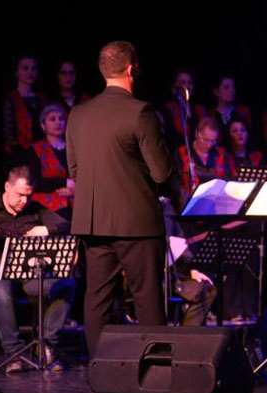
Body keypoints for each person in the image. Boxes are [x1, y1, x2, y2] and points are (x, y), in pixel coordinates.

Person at [66, 41, 173, 355]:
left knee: (97, 299)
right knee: (147, 298)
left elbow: (74, 169)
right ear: (131, 69)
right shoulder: (141, 112)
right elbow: (161, 174)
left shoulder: (78, 114)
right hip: (136, 222)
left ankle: (101, 374)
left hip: (93, 221)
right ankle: (155, 374)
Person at [0, 166, 74, 372]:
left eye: (28, 196)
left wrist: (45, 228)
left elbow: (65, 224)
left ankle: (46, 344)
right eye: (19, 195)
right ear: (7, 186)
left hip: (24, 272)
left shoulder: (34, 209)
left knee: (65, 284)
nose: (24, 201)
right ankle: (15, 355)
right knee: (1, 290)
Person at [28, 104, 75, 217]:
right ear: (43, 125)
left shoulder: (74, 148)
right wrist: (65, 183)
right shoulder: (36, 149)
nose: (58, 122)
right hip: (47, 205)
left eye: (61, 119)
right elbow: (34, 182)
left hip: (74, 200)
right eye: (52, 119)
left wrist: (74, 190)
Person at [175, 116, 231, 202]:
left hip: (215, 201)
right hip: (189, 201)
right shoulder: (182, 153)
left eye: (213, 141)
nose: (209, 145)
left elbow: (227, 181)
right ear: (197, 134)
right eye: (206, 140)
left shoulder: (221, 154)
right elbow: (177, 184)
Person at [3, 55, 45, 155]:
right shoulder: (11, 99)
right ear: (16, 72)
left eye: (33, 69)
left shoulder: (42, 98)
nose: (30, 72)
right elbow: (9, 132)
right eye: (25, 68)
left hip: (43, 151)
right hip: (20, 153)